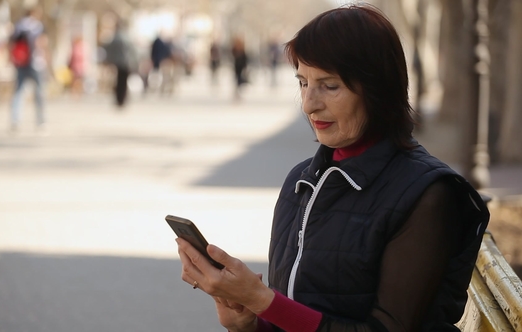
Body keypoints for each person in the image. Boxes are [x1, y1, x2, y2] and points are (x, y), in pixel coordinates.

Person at [175, 4, 490, 332]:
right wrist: (248, 323)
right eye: (303, 83)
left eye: (329, 85)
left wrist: (263, 300)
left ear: (377, 89)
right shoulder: (301, 182)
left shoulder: (428, 194)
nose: (309, 104)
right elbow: (296, 315)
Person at [9, 5, 47, 132]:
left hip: (21, 62)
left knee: (18, 92)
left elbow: (12, 43)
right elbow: (42, 43)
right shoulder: (38, 26)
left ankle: (15, 120)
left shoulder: (19, 25)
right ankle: (40, 121)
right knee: (39, 92)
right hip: (36, 63)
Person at [104, 22, 137, 107]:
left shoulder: (116, 38)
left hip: (118, 63)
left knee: (119, 81)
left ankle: (119, 98)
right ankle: (122, 98)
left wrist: (109, 61)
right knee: (124, 82)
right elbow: (133, 51)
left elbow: (109, 50)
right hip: (126, 63)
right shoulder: (127, 38)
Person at [231, 36, 248, 101]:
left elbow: (245, 59)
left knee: (238, 80)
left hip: (239, 67)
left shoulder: (241, 49)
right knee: (238, 80)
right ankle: (237, 93)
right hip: (238, 67)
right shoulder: (237, 49)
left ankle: (237, 93)